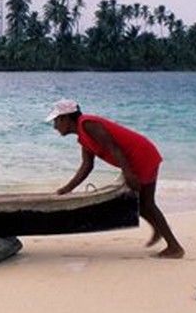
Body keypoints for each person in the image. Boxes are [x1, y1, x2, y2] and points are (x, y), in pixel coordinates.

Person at [46, 99, 185, 259]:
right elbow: (87, 166)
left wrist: (129, 174)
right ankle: (159, 231)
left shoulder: (88, 124)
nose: (55, 126)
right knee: (139, 205)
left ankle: (174, 247)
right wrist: (67, 189)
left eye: (56, 121)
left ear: (65, 118)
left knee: (147, 204)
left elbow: (114, 148)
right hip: (133, 161)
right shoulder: (83, 136)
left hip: (142, 157)